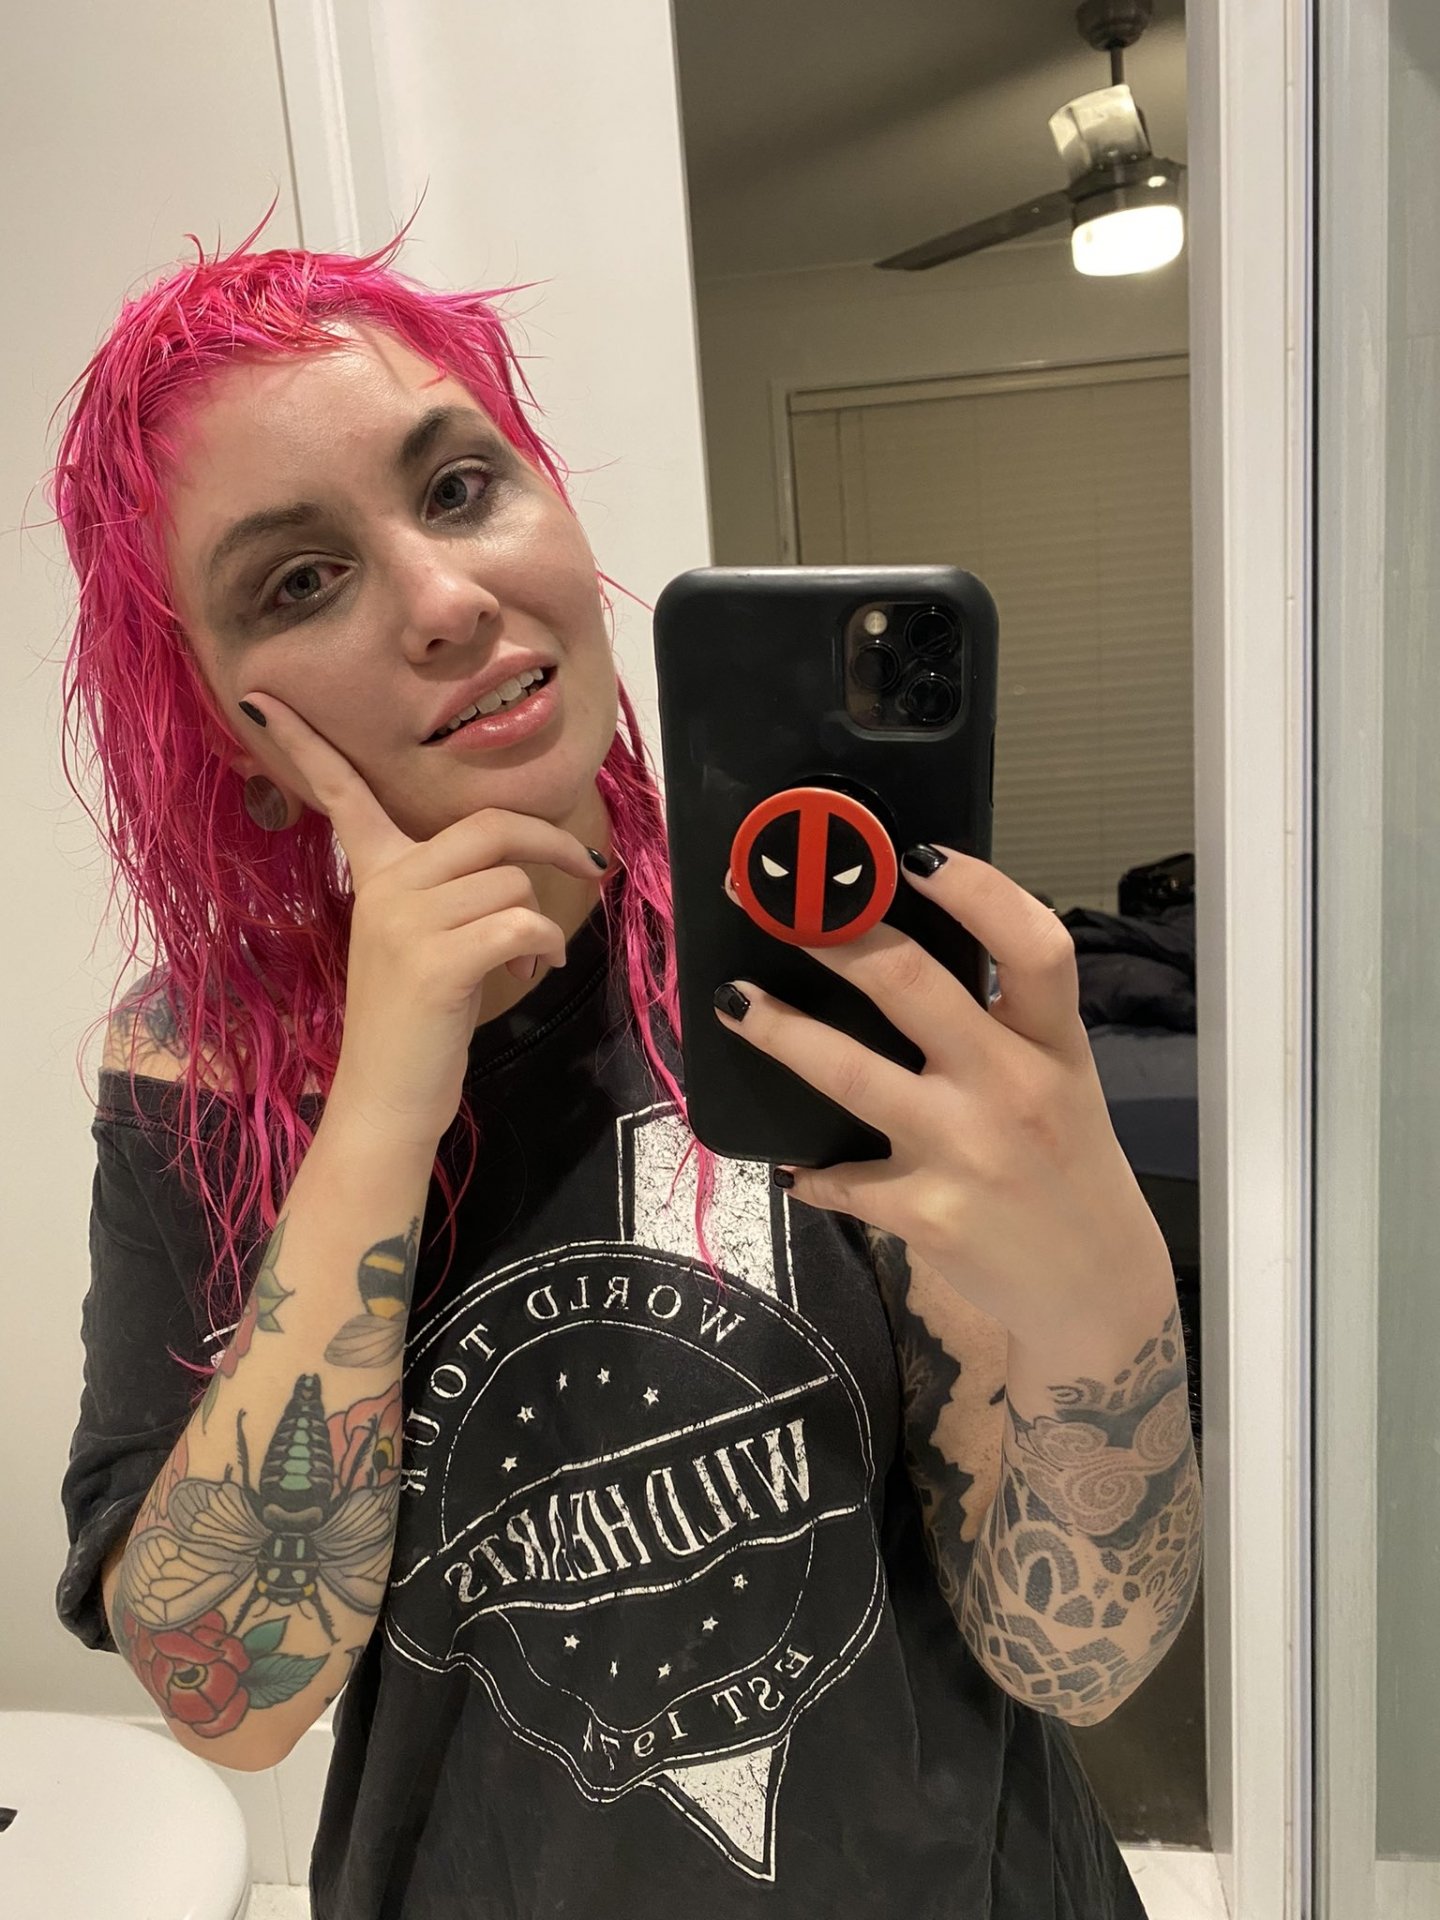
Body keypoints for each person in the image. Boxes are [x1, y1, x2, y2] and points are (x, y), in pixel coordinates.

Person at [52, 228, 1202, 1920]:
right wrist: (382, 1107)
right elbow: (233, 1697)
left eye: (459, 488)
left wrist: (1105, 1288)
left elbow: (1073, 1656)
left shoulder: (823, 952)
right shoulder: (203, 1068)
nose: (448, 601)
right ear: (235, 730)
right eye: (299, 582)